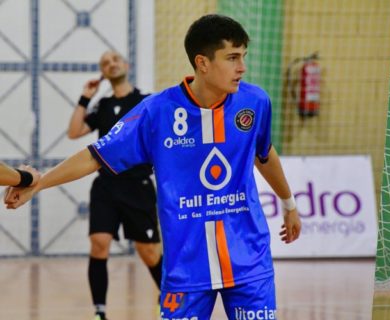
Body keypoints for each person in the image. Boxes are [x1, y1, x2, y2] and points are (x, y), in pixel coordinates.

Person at [5, 14, 301, 319]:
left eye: (243, 57)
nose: (243, 67)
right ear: (203, 63)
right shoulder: (157, 111)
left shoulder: (255, 102)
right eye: (233, 57)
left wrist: (289, 203)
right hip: (186, 271)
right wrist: (38, 183)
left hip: (249, 260)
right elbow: (95, 154)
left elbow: (264, 154)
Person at [66, 50, 163, 320]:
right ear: (104, 72)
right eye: (105, 63)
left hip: (137, 185)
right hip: (106, 186)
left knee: (150, 253)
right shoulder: (103, 106)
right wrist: (86, 97)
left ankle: (167, 295)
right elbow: (74, 131)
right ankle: (100, 311)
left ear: (126, 65)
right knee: (99, 243)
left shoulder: (145, 102)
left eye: (115, 60)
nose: (111, 64)